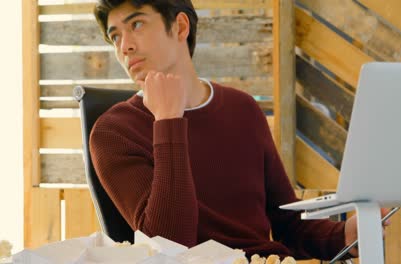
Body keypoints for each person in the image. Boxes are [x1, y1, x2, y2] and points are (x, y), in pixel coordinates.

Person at [90, 0, 382, 260]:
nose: (123, 46)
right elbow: (169, 247)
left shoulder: (242, 108)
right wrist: (168, 121)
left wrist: (344, 235)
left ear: (180, 27)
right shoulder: (114, 133)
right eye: (114, 36)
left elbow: (288, 225)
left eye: (136, 24)